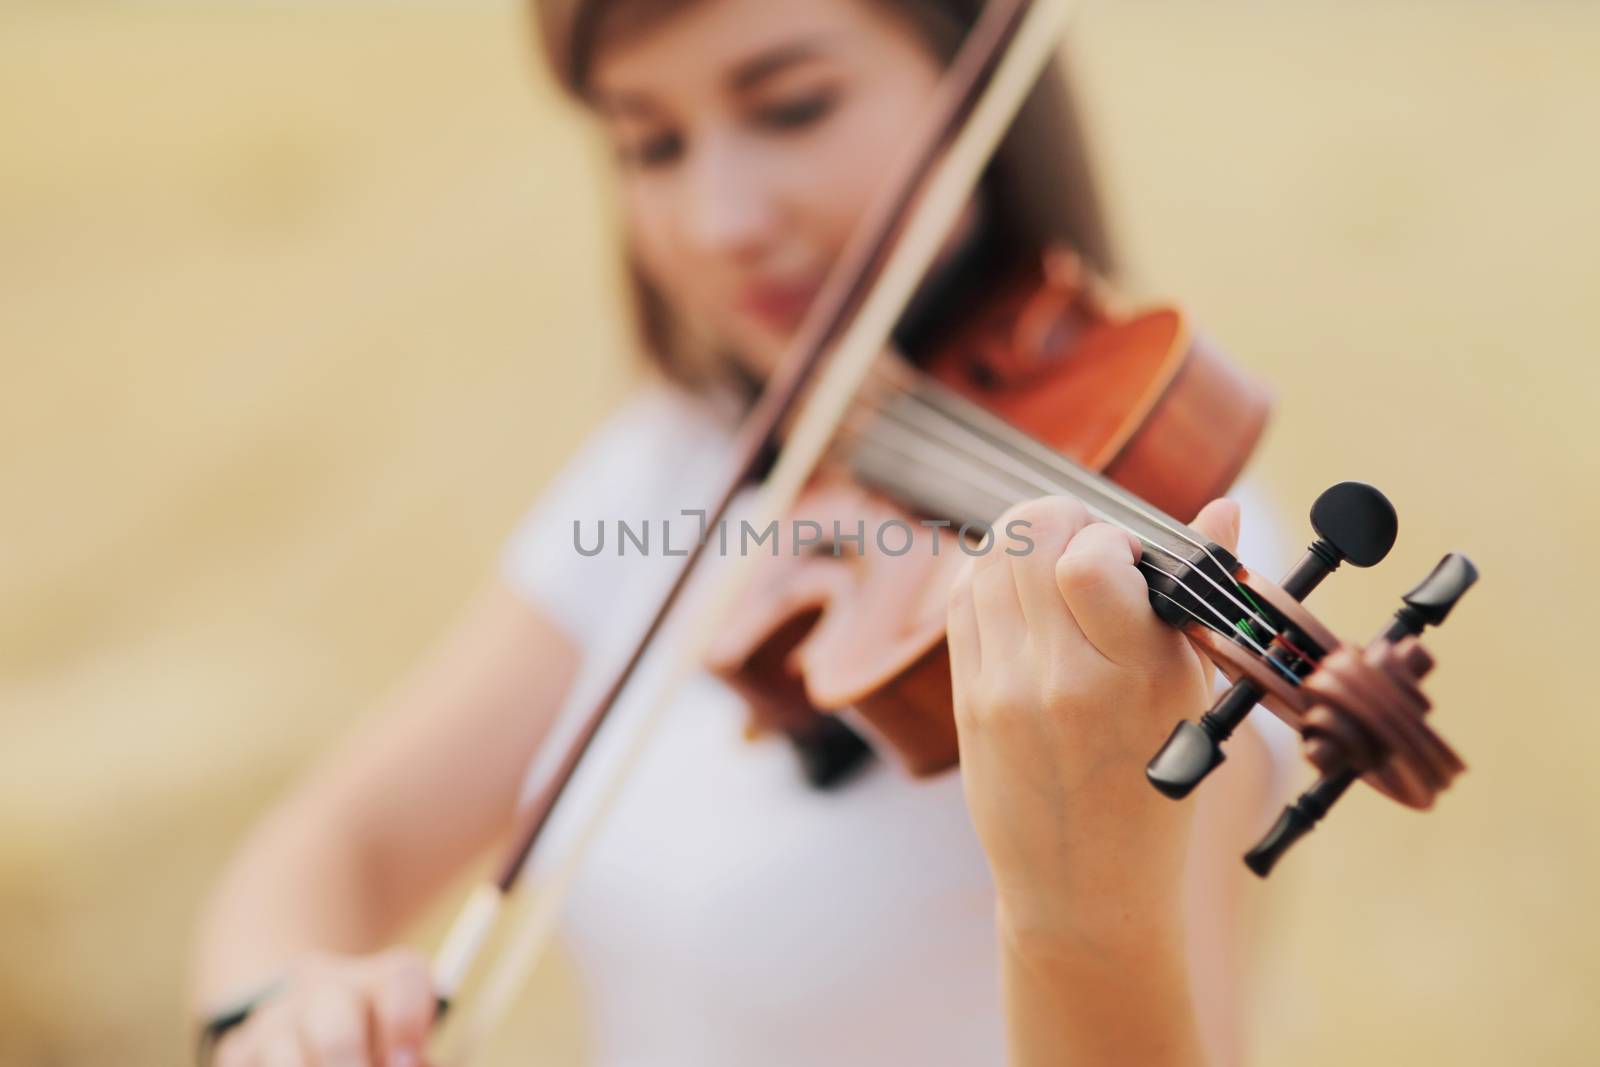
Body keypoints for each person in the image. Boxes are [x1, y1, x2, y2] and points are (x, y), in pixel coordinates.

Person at [190, 1, 1289, 1064]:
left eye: (794, 106)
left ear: (975, 79)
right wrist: (281, 1010)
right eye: (650, 142)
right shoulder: (674, 459)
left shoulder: (1159, 552)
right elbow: (338, 844)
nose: (721, 223)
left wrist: (1076, 903)